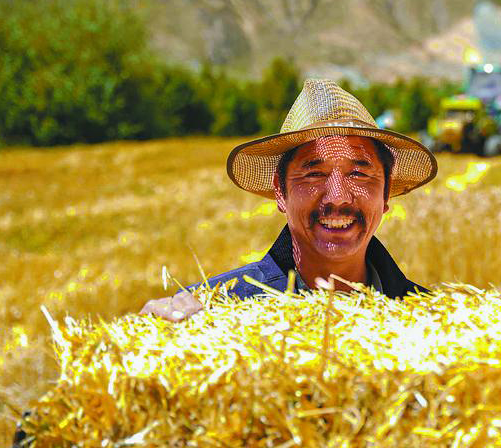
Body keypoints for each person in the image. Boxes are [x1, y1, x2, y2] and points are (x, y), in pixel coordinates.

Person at [140, 78, 438, 321]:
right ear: (280, 192)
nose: (338, 197)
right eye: (314, 174)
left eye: (359, 174)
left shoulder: (430, 321)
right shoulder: (214, 314)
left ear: (385, 194)